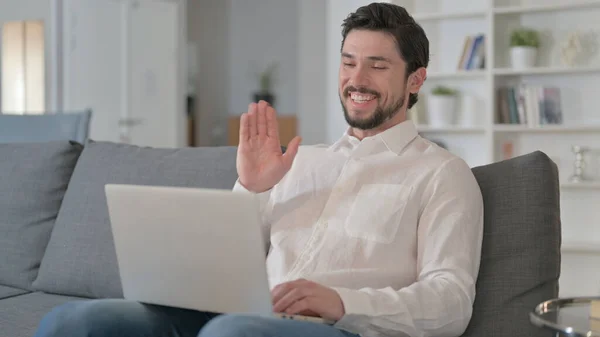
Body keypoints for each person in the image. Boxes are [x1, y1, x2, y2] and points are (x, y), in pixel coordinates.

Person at [32, 2, 483, 337]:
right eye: (348, 62)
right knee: (80, 321)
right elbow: (222, 261)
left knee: (230, 335)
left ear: (415, 80)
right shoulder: (299, 160)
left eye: (377, 65)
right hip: (236, 314)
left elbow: (451, 300)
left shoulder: (441, 172)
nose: (356, 79)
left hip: (339, 328)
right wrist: (251, 187)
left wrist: (342, 302)